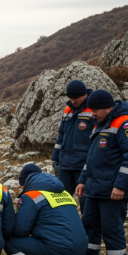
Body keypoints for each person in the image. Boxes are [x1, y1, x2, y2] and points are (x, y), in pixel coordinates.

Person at [75, 90, 128, 255]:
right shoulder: (100, 123)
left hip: (113, 190)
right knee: (89, 226)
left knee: (111, 229)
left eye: (96, 110)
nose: (93, 114)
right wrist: (82, 181)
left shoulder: (126, 124)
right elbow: (92, 158)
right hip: (95, 187)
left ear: (108, 107)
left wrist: (121, 186)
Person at [5, 164, 87, 255]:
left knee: (10, 243)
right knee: (44, 243)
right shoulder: (64, 193)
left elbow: (20, 230)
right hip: (80, 250)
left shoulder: (32, 196)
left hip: (60, 248)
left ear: (25, 183)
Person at [52, 80, 93, 213]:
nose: (73, 101)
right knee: (61, 199)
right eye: (70, 97)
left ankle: (87, 225)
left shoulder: (93, 109)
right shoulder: (68, 110)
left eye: (76, 98)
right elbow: (61, 135)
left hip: (83, 165)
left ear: (84, 95)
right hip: (65, 164)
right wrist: (55, 158)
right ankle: (63, 222)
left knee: (86, 202)